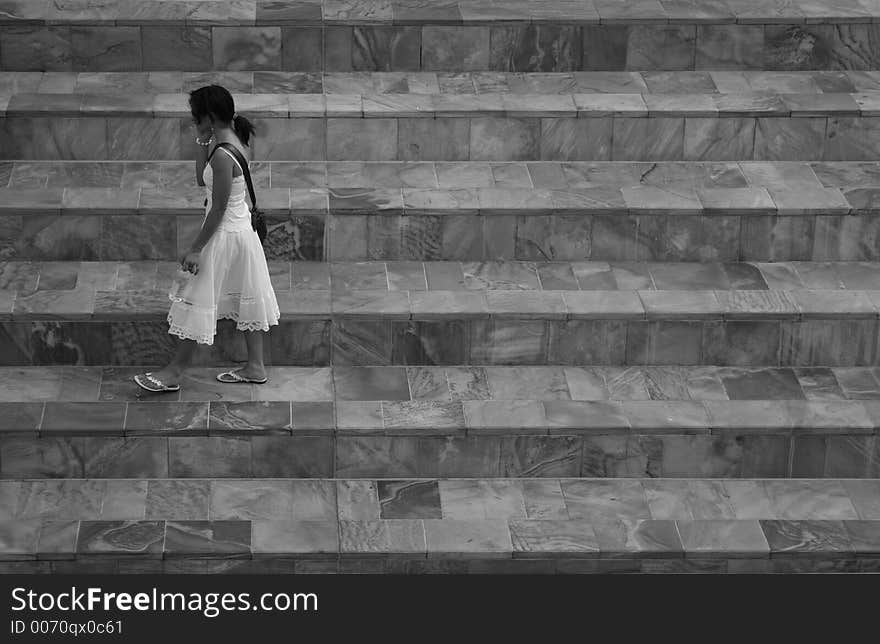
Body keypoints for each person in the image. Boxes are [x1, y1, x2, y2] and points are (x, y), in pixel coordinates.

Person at [134, 85, 280, 393]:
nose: (192, 120)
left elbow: (218, 208)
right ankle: (255, 367)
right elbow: (202, 178)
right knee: (245, 297)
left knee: (196, 300)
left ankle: (174, 372)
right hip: (242, 235)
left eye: (195, 116)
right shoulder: (233, 139)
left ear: (209, 117)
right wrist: (202, 142)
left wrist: (196, 249)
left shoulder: (224, 155)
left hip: (225, 236)